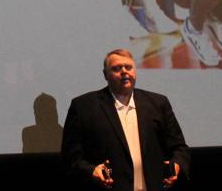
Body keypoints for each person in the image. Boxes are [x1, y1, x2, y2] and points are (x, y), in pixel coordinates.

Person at [61, 49, 189, 190]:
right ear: (105, 75)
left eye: (128, 67)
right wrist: (92, 171)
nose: (124, 72)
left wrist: (176, 166)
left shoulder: (158, 104)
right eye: (116, 68)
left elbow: (179, 148)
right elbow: (71, 158)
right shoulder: (83, 107)